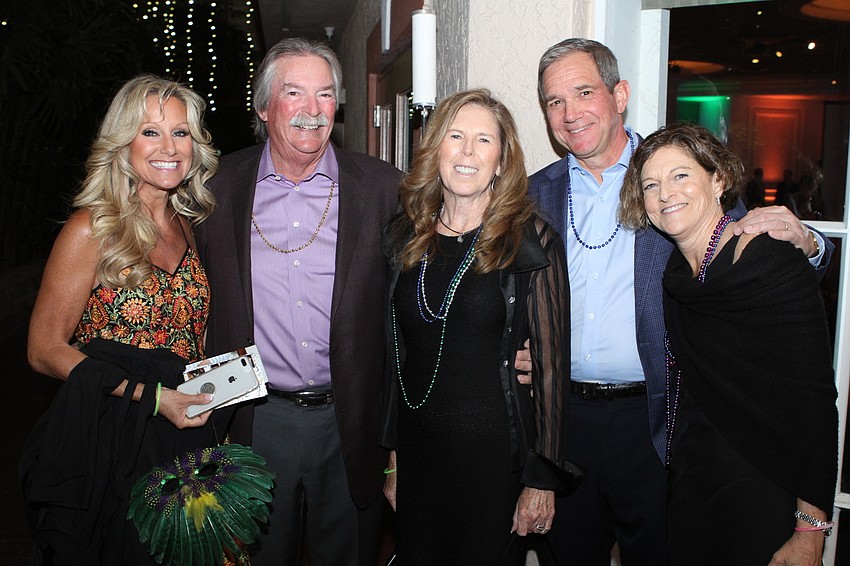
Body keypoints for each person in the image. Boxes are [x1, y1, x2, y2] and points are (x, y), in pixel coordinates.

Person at [523, 38, 833, 565]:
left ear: (619, 94)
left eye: (583, 92)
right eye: (555, 101)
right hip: (563, 420)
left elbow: (745, 239)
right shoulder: (534, 194)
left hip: (656, 422)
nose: (570, 113)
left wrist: (813, 245)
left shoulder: (672, 175)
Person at [195, 38, 402, 566]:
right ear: (264, 107)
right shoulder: (212, 191)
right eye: (294, 93)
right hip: (254, 420)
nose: (312, 110)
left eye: (326, 95)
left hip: (351, 423)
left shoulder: (384, 190)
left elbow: (421, 301)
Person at [22, 74, 227, 564]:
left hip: (182, 431)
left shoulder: (190, 228)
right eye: (150, 132)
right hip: (111, 435)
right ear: (123, 142)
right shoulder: (91, 229)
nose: (169, 147)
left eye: (181, 133)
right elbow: (44, 349)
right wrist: (150, 397)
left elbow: (186, 339)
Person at [618, 121, 837, 565]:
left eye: (681, 175)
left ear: (718, 179)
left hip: (759, 489)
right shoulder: (678, 278)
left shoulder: (766, 258)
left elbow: (813, 402)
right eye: (651, 184)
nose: (665, 194)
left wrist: (810, 531)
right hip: (692, 488)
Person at [381, 88, 580, 565]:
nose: (468, 151)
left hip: (494, 463)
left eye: (484, 140)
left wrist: (541, 479)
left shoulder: (531, 240)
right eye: (456, 135)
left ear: (501, 159)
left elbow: (552, 367)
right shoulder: (405, 236)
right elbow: (397, 357)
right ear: (436, 149)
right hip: (419, 457)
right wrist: (392, 458)